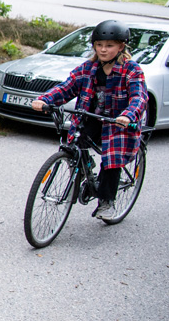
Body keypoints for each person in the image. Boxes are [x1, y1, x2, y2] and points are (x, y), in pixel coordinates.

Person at [31, 19, 147, 220]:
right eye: (99, 45)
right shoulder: (88, 68)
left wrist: (127, 115)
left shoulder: (132, 70)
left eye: (109, 46)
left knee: (112, 158)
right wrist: (44, 99)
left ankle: (107, 201)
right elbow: (66, 87)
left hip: (118, 122)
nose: (103, 50)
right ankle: (85, 168)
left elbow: (139, 97)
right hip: (91, 116)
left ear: (121, 47)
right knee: (75, 140)